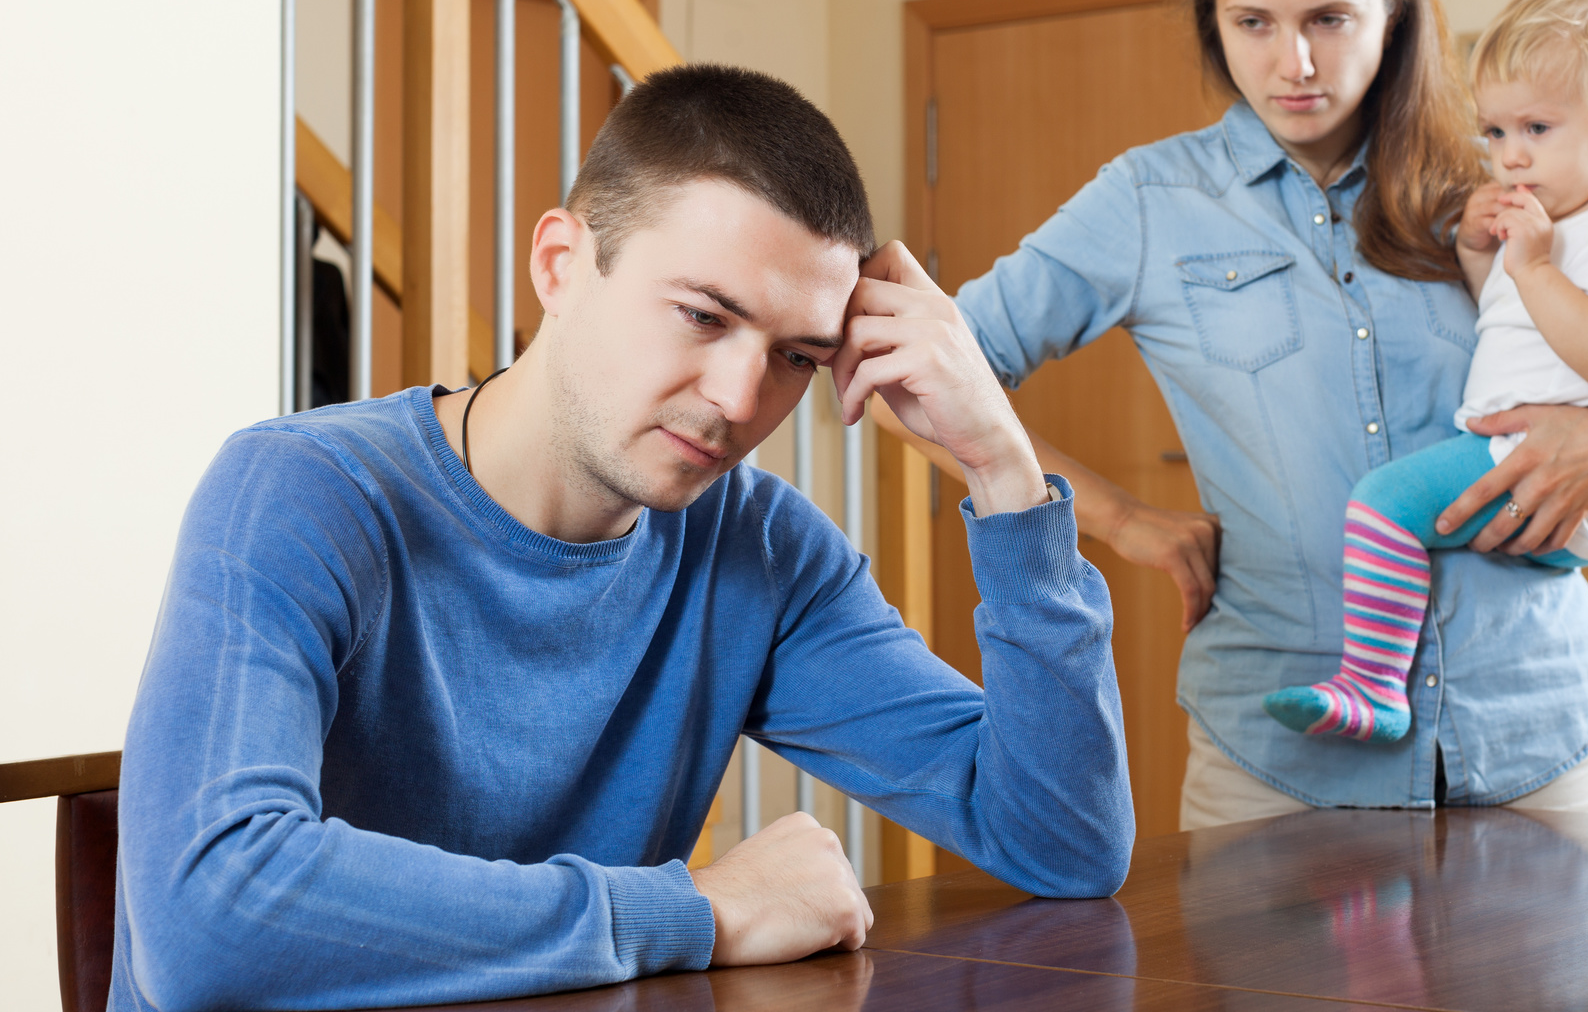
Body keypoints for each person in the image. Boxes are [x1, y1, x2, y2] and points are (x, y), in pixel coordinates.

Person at [110, 65, 1131, 1012]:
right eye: (700, 315)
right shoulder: (300, 491)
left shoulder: (762, 553)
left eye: (795, 355)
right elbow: (210, 918)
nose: (740, 398)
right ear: (561, 262)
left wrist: (1001, 466)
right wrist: (699, 912)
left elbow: (1064, 838)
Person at [953, 0, 1588, 825]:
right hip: (1280, 765)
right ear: (1214, 23)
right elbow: (927, 377)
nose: (1295, 62)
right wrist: (1118, 519)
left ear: (1394, 14)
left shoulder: (1496, 179)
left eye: (1329, 17)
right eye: (1254, 22)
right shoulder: (1150, 200)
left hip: (1539, 734)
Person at [1266, 0, 1588, 742]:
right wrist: (1480, 256)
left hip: (1535, 461)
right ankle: (1375, 684)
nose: (1510, 156)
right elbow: (1509, 327)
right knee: (1393, 504)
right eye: (1494, 132)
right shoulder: (1568, 214)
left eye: (1537, 127)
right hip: (1518, 455)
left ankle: (1371, 688)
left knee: (1382, 504)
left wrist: (1534, 269)